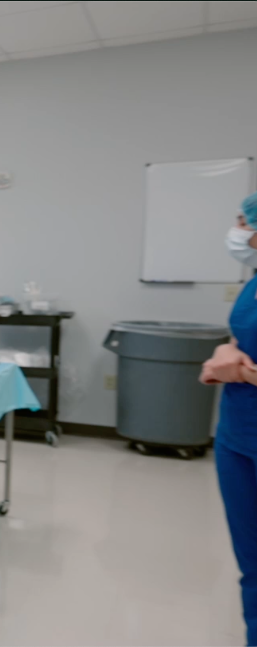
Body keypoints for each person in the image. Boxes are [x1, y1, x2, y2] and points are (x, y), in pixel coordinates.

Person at [205, 190, 257, 647]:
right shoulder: (254, 281)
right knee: (253, 567)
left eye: (245, 223)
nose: (238, 231)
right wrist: (228, 350)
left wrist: (244, 371)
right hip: (238, 437)